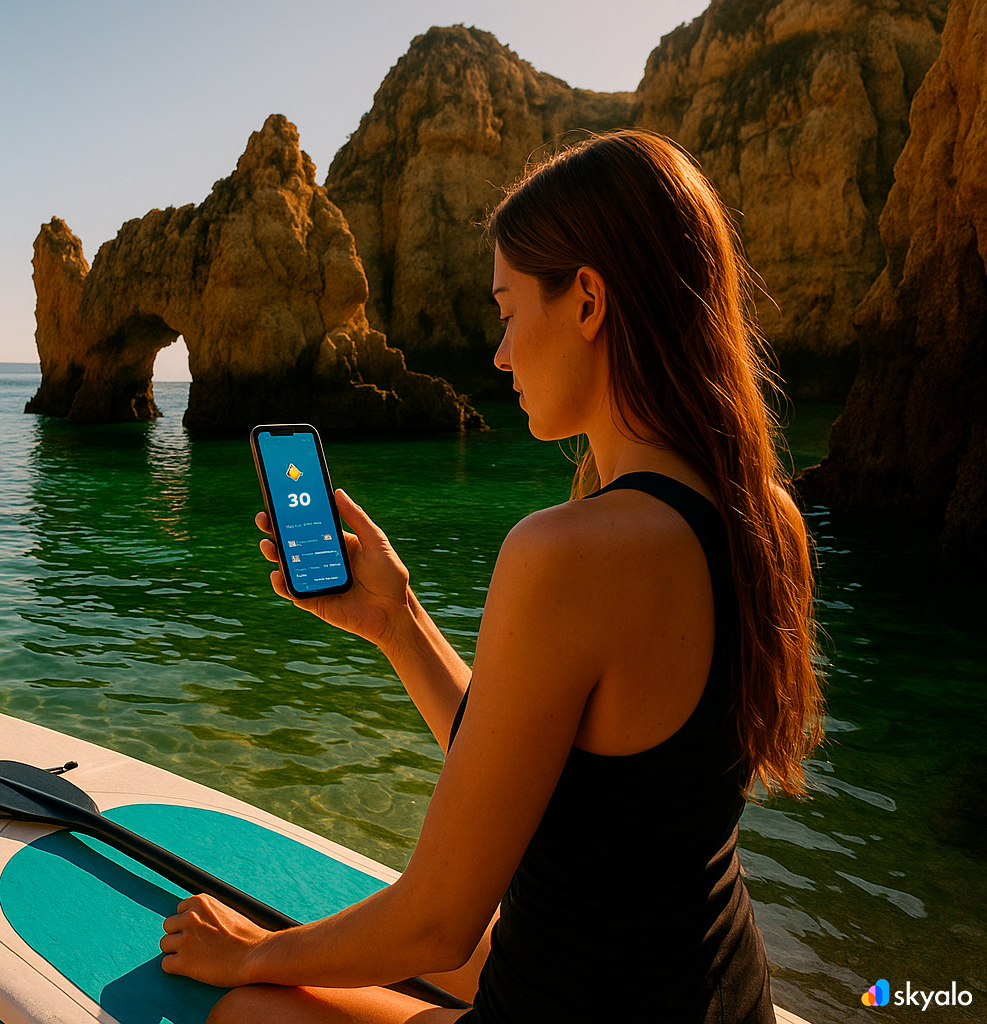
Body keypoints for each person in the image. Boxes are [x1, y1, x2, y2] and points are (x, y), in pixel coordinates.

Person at [157, 128, 826, 1024]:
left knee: (243, 1012)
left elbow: (436, 922)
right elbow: (573, 792)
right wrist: (399, 623)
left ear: (587, 299)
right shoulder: (769, 520)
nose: (502, 355)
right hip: (717, 993)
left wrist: (254, 955)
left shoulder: (567, 551)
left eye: (508, 311)